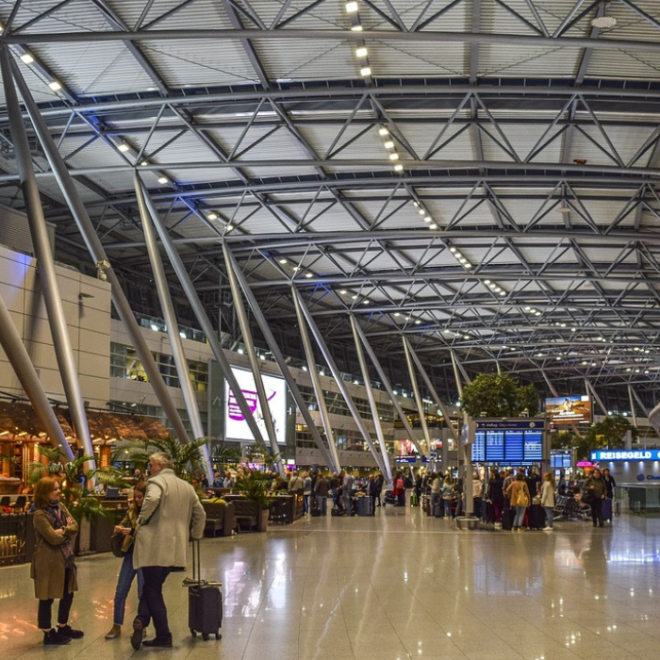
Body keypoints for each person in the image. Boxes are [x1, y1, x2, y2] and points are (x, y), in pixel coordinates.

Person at [131, 452, 206, 649]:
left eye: (150, 465)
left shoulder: (156, 483)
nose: (149, 469)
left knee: (153, 589)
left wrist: (141, 520)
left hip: (154, 547)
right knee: (151, 587)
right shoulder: (186, 486)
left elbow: (152, 499)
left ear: (159, 465)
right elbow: (200, 513)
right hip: (175, 549)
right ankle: (142, 618)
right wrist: (195, 534)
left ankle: (163, 635)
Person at [31, 476, 83, 645]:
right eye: (55, 489)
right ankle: (47, 632)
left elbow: (74, 526)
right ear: (45, 494)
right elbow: (52, 538)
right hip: (48, 561)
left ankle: (63, 625)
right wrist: (64, 532)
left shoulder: (61, 507)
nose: (59, 491)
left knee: (68, 593)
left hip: (65, 558)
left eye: (58, 488)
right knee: (47, 596)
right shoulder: (39, 514)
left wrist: (62, 530)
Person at [106, 482, 147, 639]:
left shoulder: (150, 512)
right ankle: (116, 625)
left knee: (142, 592)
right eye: (135, 497)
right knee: (121, 590)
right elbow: (123, 524)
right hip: (131, 554)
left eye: (140, 497)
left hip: (144, 556)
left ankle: (142, 625)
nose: (137, 500)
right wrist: (119, 529)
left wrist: (131, 531)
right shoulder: (131, 512)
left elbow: (147, 532)